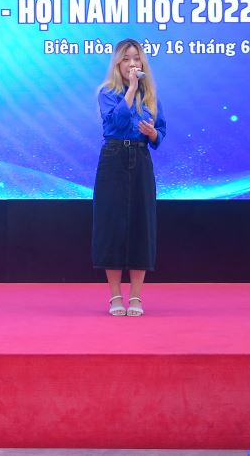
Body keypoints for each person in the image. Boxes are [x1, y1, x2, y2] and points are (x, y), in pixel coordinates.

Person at [92, 38, 166, 317]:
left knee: (140, 225)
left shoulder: (151, 96)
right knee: (111, 225)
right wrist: (131, 89)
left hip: (140, 158)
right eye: (126, 58)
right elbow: (115, 122)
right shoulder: (107, 92)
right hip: (113, 158)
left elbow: (161, 131)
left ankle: (136, 296)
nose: (132, 63)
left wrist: (153, 134)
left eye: (136, 58)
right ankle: (115, 296)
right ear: (117, 63)